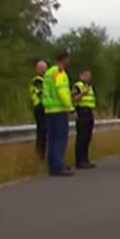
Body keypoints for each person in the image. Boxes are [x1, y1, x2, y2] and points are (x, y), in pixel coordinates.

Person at [42, 48, 74, 176]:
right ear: (65, 59)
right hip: (59, 109)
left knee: (52, 139)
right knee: (60, 139)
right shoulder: (60, 73)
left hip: (49, 109)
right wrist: (70, 107)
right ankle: (58, 166)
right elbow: (62, 92)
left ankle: (52, 165)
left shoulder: (49, 72)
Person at [72, 68, 96, 170]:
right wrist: (82, 93)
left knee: (87, 137)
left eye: (89, 75)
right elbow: (73, 98)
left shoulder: (89, 87)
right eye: (86, 75)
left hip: (89, 112)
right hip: (81, 112)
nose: (88, 77)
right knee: (81, 137)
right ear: (80, 75)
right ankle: (79, 161)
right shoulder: (77, 86)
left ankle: (85, 159)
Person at [30, 59, 48, 159]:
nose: (43, 71)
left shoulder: (45, 80)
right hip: (40, 107)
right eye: (41, 69)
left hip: (45, 108)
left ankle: (42, 155)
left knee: (44, 133)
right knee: (41, 133)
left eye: (45, 68)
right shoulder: (37, 80)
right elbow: (41, 94)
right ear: (37, 69)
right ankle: (39, 156)